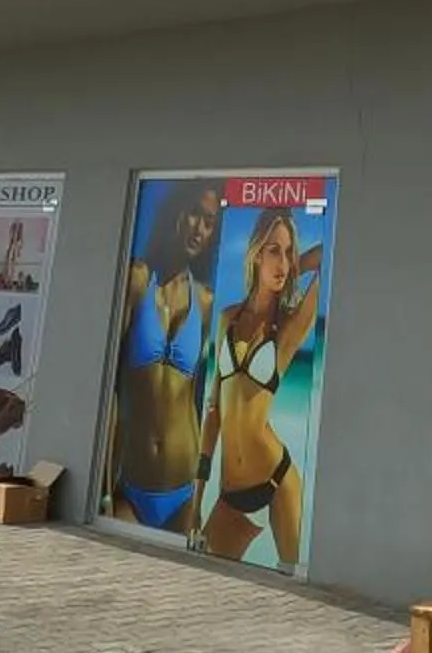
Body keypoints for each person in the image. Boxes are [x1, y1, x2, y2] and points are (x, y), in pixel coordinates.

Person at [197, 209, 324, 567]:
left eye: (288, 251)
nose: (281, 262)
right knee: (208, 573)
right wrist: (197, 497)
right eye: (272, 250)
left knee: (291, 583)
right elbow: (214, 411)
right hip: (230, 492)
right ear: (254, 254)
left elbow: (330, 256)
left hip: (277, 479)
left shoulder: (288, 327)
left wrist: (292, 262)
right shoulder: (227, 319)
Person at [106, 185, 219, 533]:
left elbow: (204, 402)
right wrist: (104, 487)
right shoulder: (138, 280)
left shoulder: (205, 301)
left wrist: (202, 492)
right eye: (194, 213)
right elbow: (109, 388)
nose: (199, 228)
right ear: (175, 213)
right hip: (131, 487)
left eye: (209, 222)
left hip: (183, 493)